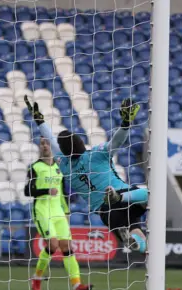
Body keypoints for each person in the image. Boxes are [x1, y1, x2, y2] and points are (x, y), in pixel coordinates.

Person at [25, 95, 149, 254]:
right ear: (81, 143)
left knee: (139, 241)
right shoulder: (97, 154)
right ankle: (120, 199)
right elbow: (116, 142)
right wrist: (125, 123)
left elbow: (52, 142)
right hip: (124, 196)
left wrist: (39, 121)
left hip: (105, 212)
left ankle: (129, 238)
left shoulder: (64, 166)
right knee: (148, 193)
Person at [25, 137, 93, 290]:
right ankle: (37, 278)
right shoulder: (35, 167)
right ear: (39, 147)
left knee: (67, 247)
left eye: (47, 143)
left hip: (58, 212)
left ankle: (77, 285)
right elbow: (27, 191)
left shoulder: (59, 168)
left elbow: (62, 193)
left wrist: (66, 212)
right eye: (42, 143)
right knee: (53, 245)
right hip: (42, 210)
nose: (45, 146)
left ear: (52, 147)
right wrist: (46, 191)